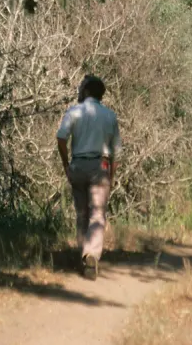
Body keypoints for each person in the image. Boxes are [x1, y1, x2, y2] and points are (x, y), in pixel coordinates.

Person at [56, 74, 122, 278]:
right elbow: (116, 153)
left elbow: (61, 138)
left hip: (78, 164)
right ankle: (91, 254)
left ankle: (83, 254)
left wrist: (66, 164)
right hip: (100, 165)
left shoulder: (74, 111)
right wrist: (110, 177)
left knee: (82, 213)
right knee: (97, 214)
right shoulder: (110, 116)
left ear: (85, 92)